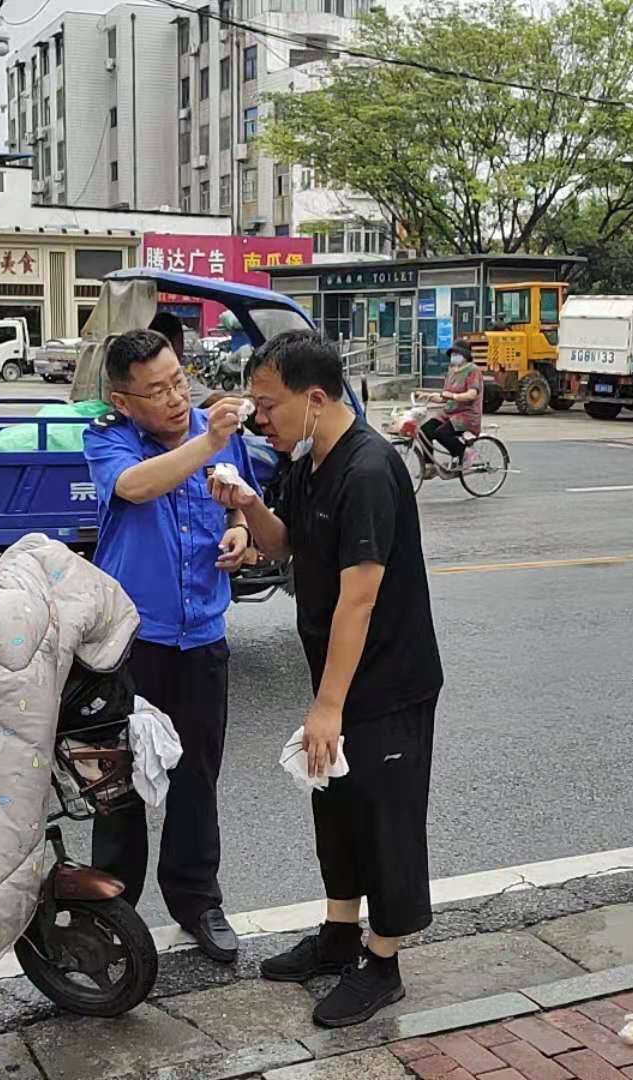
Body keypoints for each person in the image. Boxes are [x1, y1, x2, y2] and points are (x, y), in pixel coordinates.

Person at [207, 330, 443, 1028]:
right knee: (335, 812)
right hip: (336, 679)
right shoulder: (311, 460)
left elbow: (359, 598)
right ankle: (340, 936)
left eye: (268, 404)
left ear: (314, 398)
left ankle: (384, 962)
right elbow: (284, 545)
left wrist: (329, 705)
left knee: (386, 821)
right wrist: (247, 503)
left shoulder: (368, 469)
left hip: (387, 681)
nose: (260, 419)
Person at [82, 327, 260, 964]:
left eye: (179, 381)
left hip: (203, 639)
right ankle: (112, 910)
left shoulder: (214, 430)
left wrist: (241, 530)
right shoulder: (108, 436)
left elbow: (238, 502)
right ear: (123, 400)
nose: (176, 398)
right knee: (118, 782)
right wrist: (207, 441)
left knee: (196, 776)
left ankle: (196, 900)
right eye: (156, 391)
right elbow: (134, 486)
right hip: (133, 645)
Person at [420, 345, 480, 476]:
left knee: (442, 433)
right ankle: (429, 466)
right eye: (452, 354)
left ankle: (465, 453)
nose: (454, 357)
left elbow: (472, 394)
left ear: (465, 355)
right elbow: (444, 396)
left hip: (467, 414)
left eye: (456, 353)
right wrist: (428, 396)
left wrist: (453, 396)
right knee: (424, 431)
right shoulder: (451, 371)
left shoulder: (473, 370)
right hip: (449, 413)